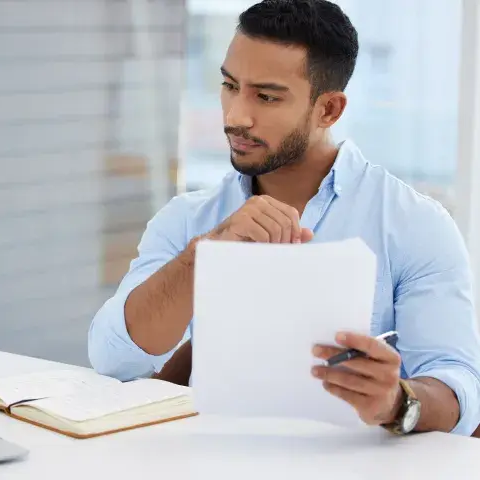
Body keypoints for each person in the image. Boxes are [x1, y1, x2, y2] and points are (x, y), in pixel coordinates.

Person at [87, 0, 480, 436]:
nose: (236, 116)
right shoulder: (186, 219)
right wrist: (203, 257)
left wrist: (397, 401)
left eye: (266, 96)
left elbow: (458, 390)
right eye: (229, 85)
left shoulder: (414, 224)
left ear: (328, 110)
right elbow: (114, 359)